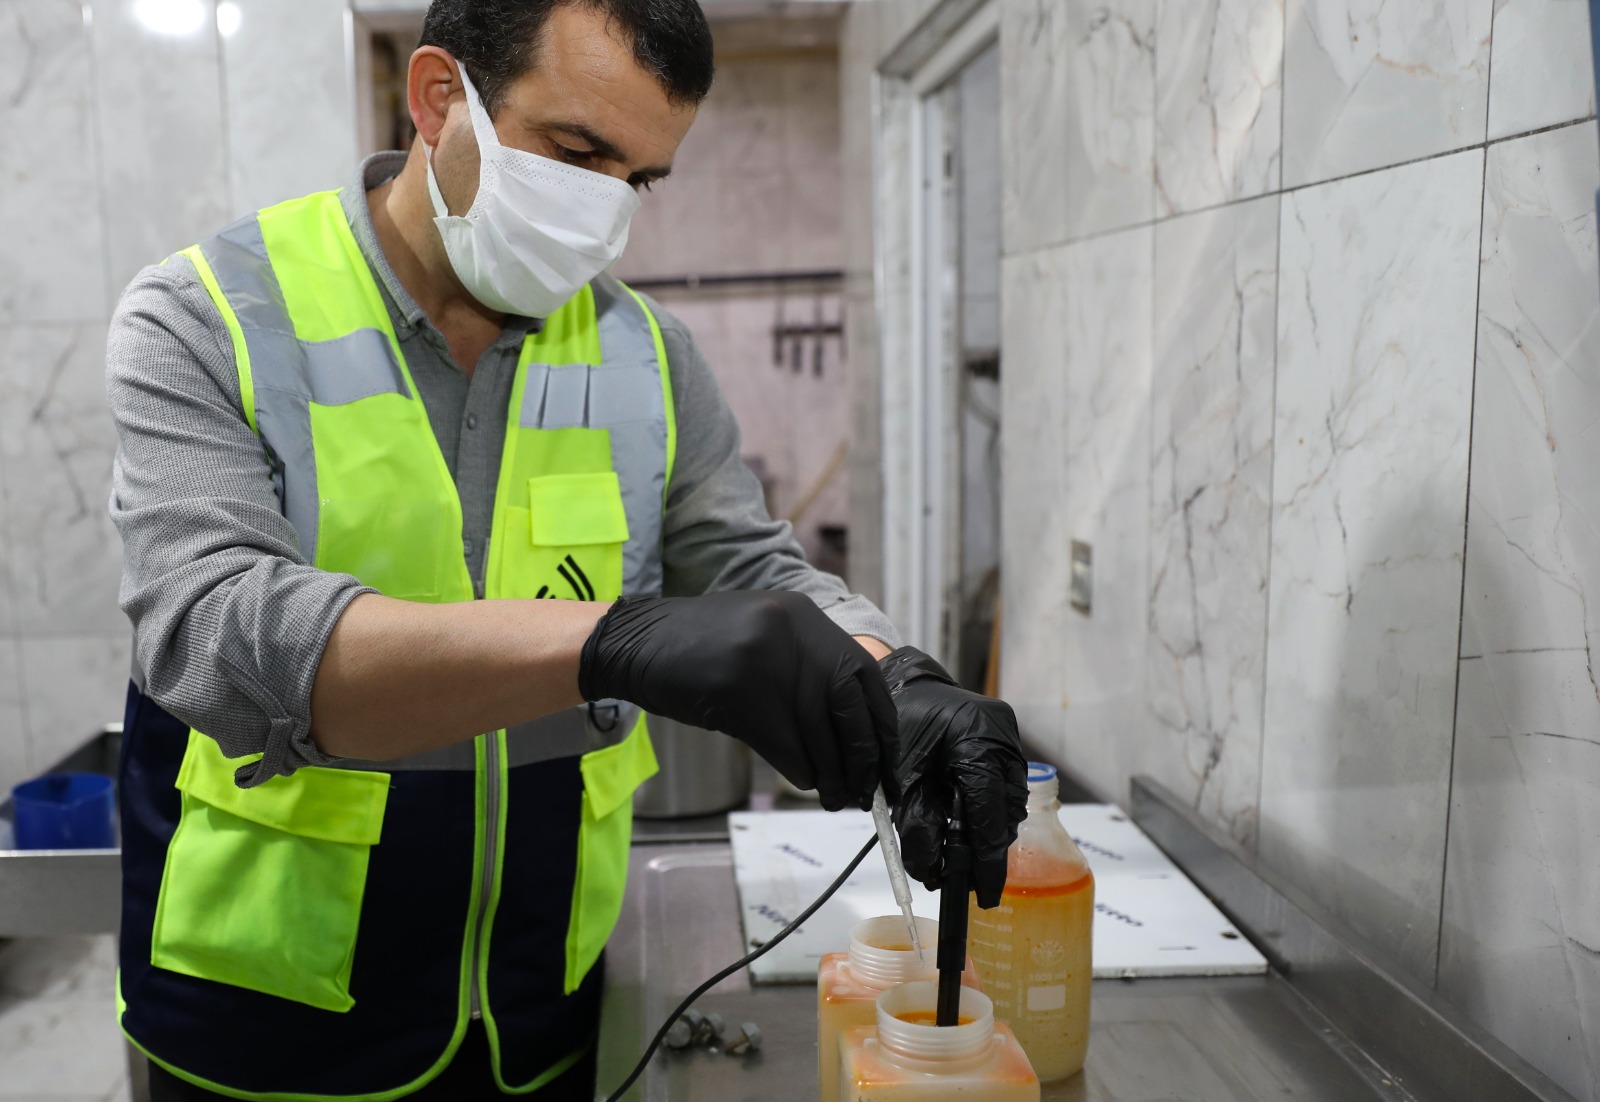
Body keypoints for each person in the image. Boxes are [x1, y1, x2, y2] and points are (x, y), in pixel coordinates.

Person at [106, 1, 1028, 1098]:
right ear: (439, 98)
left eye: (638, 180)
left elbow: (749, 568)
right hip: (267, 1017)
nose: (603, 214)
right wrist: (612, 640)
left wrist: (896, 681)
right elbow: (215, 633)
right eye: (577, 153)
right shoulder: (209, 315)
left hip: (540, 1000)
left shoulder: (645, 352)